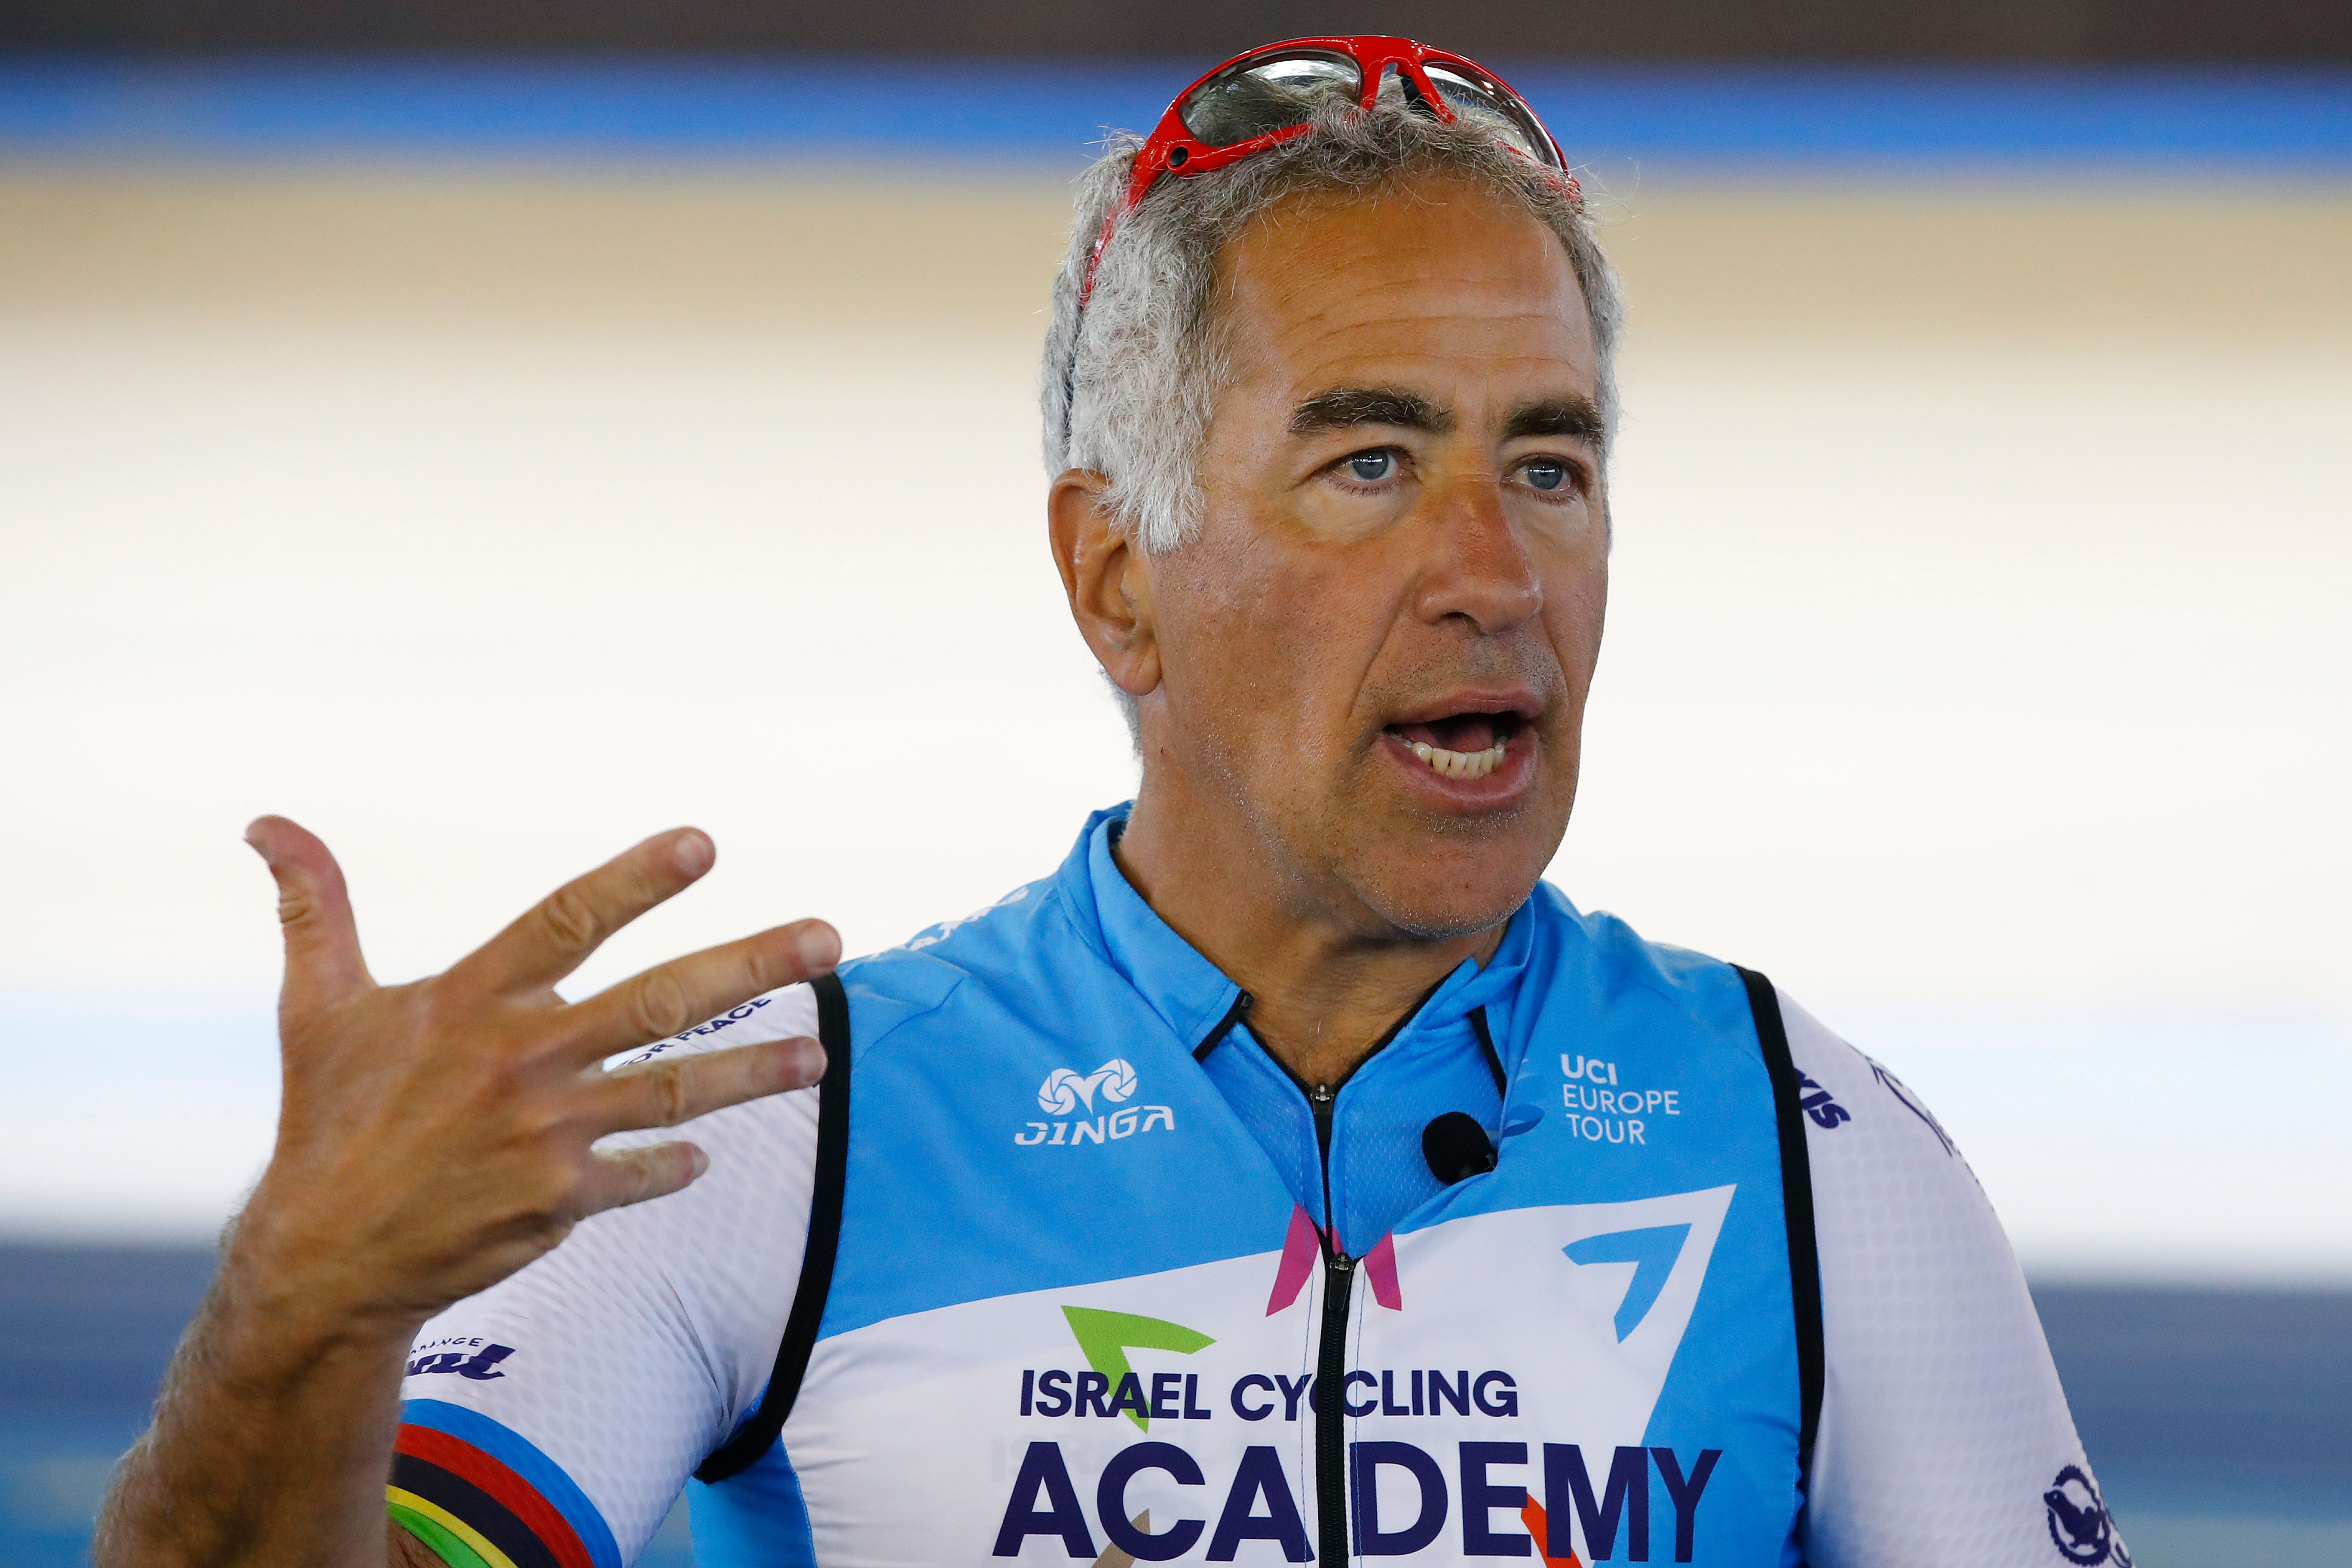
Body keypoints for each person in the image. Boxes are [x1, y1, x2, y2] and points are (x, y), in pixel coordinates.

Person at [96, 36, 2126, 1568]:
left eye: (1551, 465)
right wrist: (300, 1310)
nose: (1495, 573)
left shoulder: (1812, 1143)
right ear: (1112, 576)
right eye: (1370, 461)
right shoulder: (776, 1135)